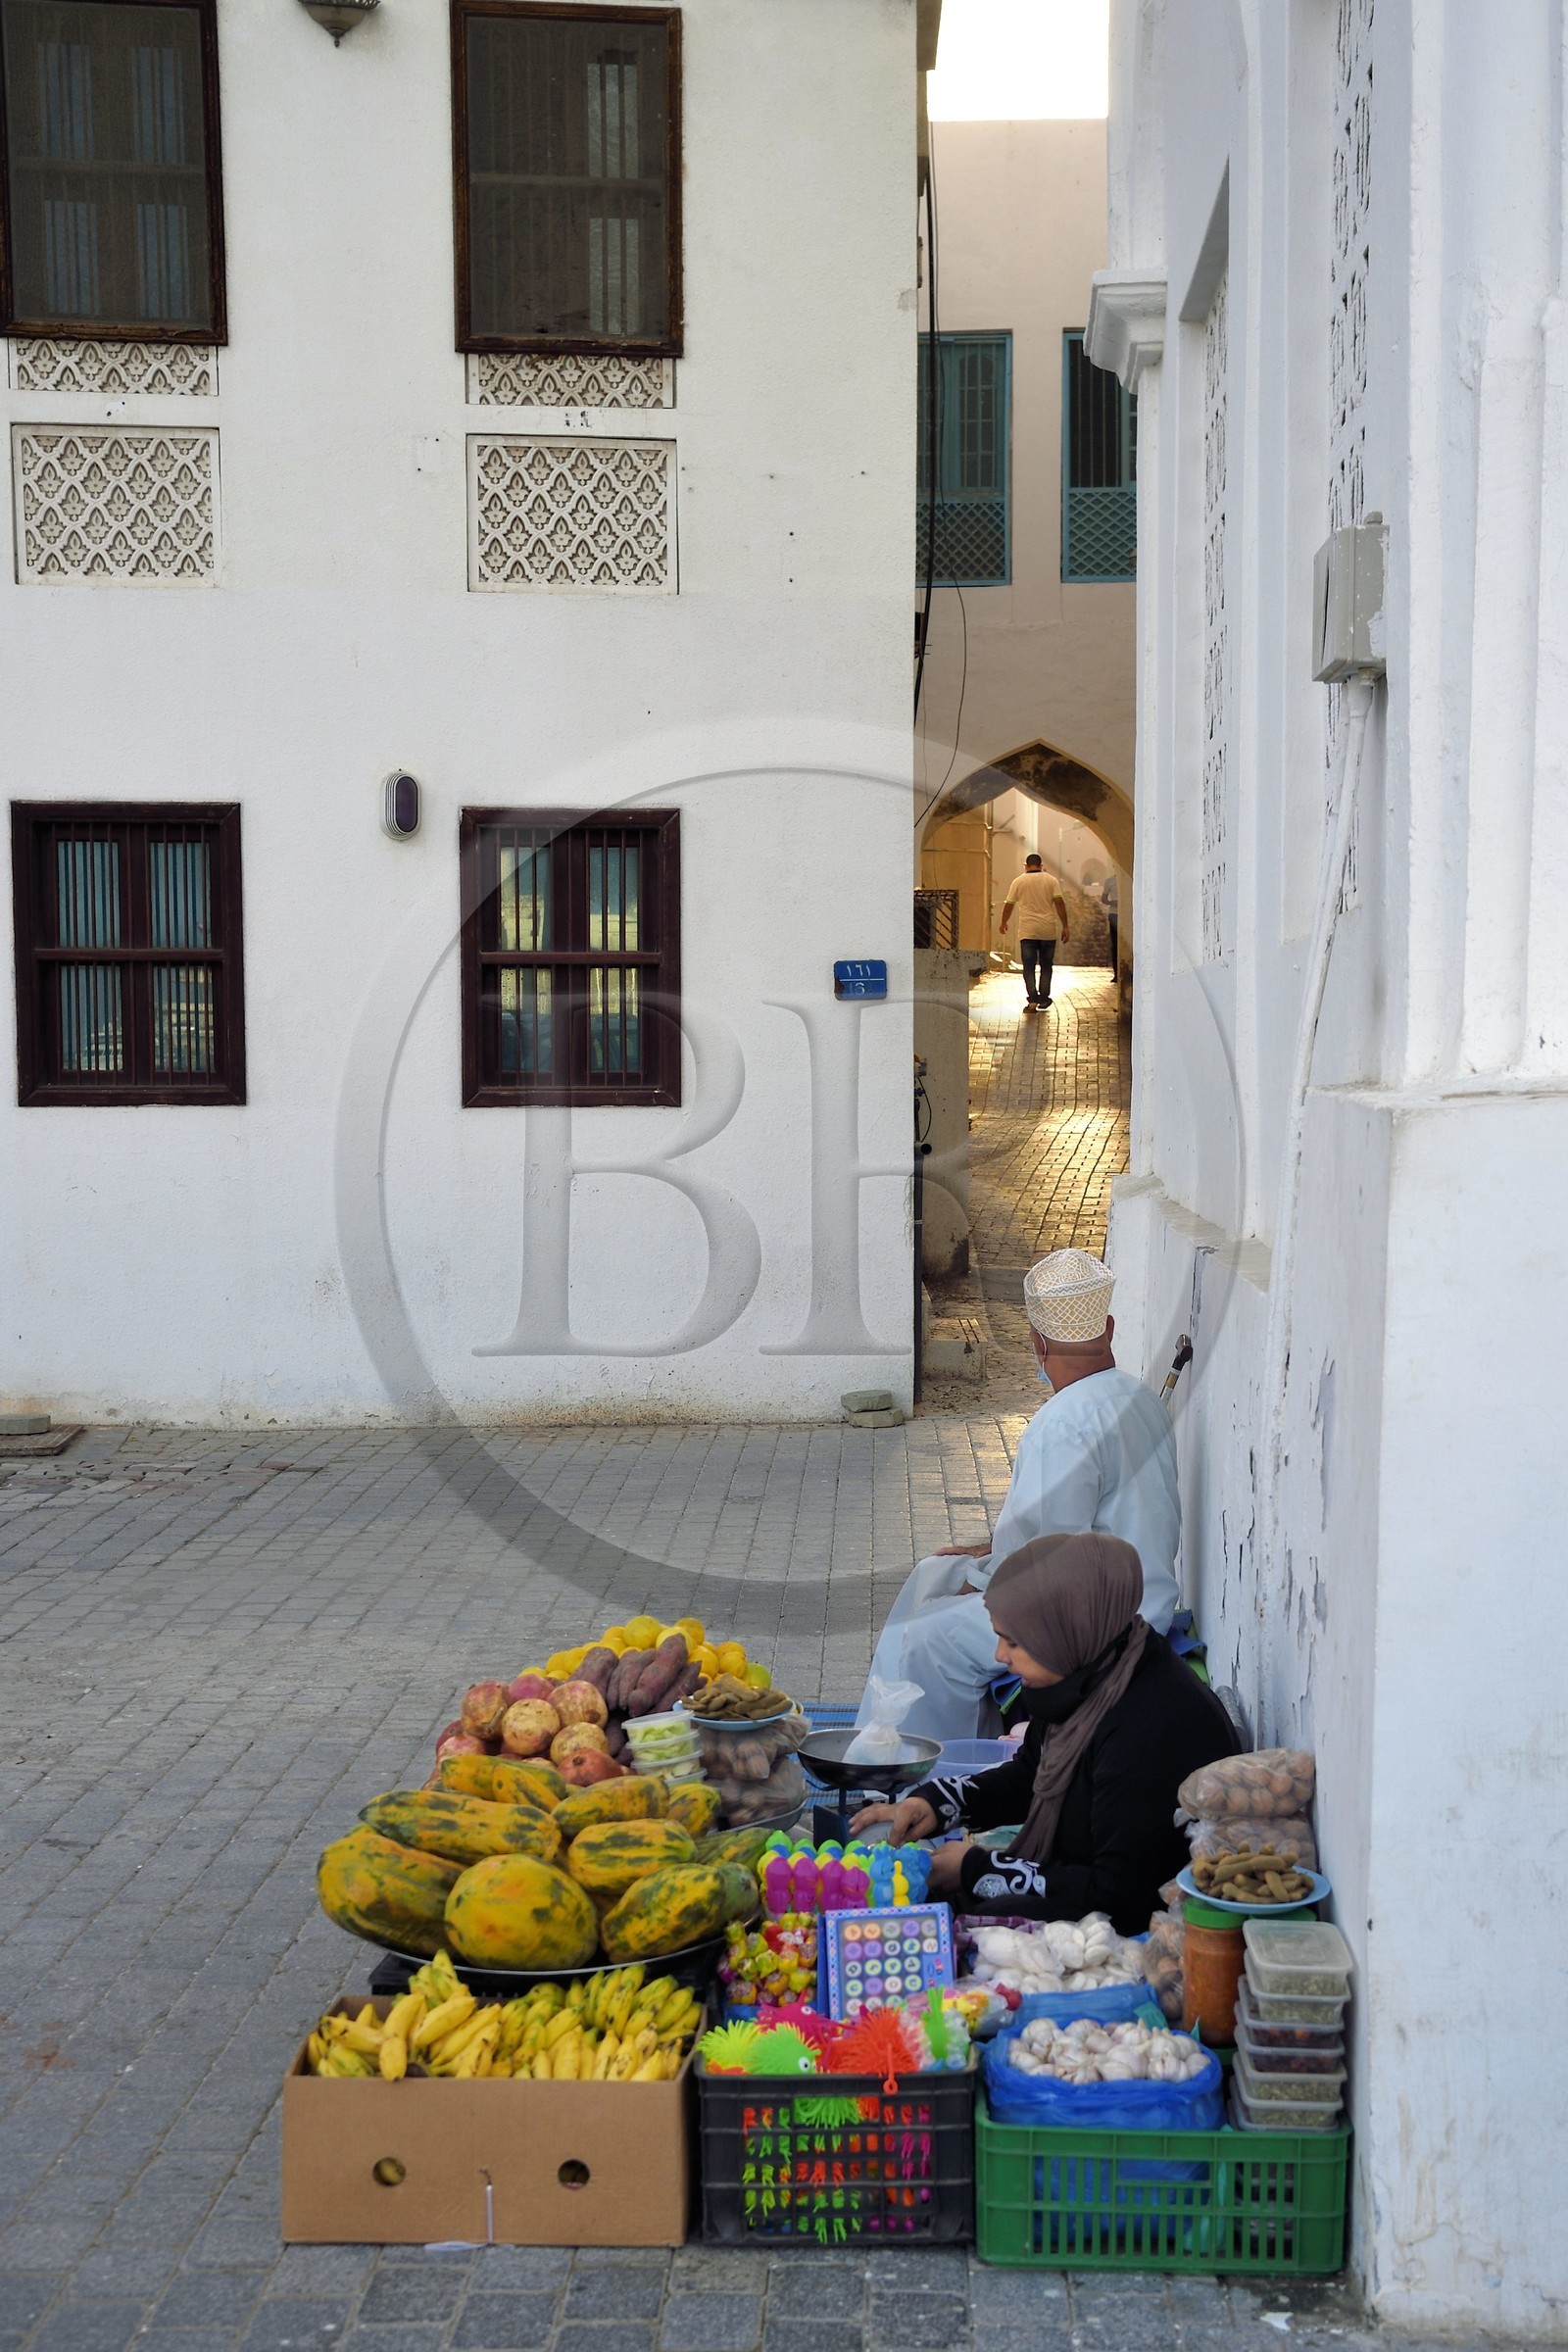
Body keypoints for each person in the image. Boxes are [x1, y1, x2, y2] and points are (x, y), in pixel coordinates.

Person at [855, 1249, 1180, 1743]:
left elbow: (1044, 1554)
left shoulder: (1062, 1423)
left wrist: (980, 1583)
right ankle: (897, 1738)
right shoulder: (1140, 1399)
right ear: (1109, 1329)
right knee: (933, 1573)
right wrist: (983, 1556)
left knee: (926, 1640)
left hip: (1091, 1619)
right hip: (1137, 1595)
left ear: (1037, 1342)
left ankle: (922, 1766)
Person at [853, 1531, 1238, 1934]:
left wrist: (975, 1868)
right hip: (1096, 1882)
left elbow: (1121, 1896)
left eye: (1014, 1642)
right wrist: (937, 1803)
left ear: (1064, 1632)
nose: (1000, 1656)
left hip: (1144, 1918)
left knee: (952, 1923)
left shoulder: (1149, 1728)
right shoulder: (1098, 1667)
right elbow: (1031, 1774)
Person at [999, 855, 1069, 1009]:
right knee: (1046, 966)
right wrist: (1065, 926)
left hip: (1028, 931)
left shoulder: (1018, 881)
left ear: (1026, 865)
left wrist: (1004, 922)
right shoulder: (1051, 880)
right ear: (1041, 865)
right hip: (1048, 931)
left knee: (1029, 967)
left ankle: (1032, 999)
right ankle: (1043, 998)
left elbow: (1009, 904)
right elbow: (1059, 903)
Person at [1101, 871, 1118, 973]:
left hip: (1127, 914)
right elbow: (1103, 899)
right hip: (1114, 914)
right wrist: (1112, 903)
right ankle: (1116, 971)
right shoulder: (1109, 881)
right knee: (1115, 943)